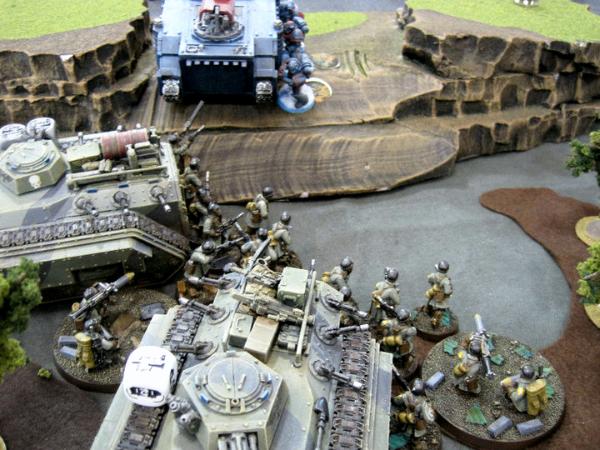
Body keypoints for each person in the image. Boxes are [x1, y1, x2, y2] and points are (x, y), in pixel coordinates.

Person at [392, 379, 435, 450]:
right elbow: (396, 401)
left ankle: (414, 442)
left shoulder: (421, 403)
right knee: (407, 427)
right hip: (408, 418)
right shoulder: (421, 402)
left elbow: (430, 419)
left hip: (414, 422)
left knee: (410, 433)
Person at [424, 260, 453, 328]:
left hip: (433, 291)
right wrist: (450, 291)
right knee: (441, 307)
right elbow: (447, 291)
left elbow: (429, 279)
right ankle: (435, 319)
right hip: (441, 296)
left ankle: (427, 310)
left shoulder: (434, 275)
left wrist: (433, 285)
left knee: (430, 301)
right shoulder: (446, 280)